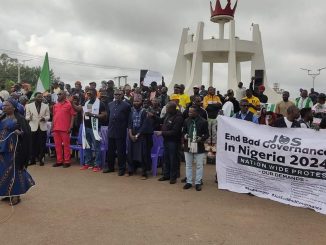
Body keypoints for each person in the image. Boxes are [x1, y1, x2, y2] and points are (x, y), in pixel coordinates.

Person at [0, 99, 34, 206]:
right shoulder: (2, 117)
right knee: (3, 171)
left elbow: (27, 133)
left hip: (14, 149)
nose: (4, 107)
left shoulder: (20, 119)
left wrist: (21, 133)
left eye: (7, 105)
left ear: (14, 107)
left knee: (15, 170)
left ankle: (16, 195)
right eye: (3, 105)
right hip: (2, 148)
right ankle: (8, 192)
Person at [74, 88, 107, 172]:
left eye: (90, 94)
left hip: (95, 128)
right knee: (87, 145)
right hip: (87, 127)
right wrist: (71, 103)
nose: (88, 95)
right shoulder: (87, 102)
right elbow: (78, 109)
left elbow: (104, 115)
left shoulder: (100, 103)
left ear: (95, 94)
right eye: (88, 94)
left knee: (96, 147)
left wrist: (93, 115)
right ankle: (88, 163)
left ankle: (97, 165)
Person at [104, 89, 131, 176]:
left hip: (121, 131)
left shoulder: (126, 105)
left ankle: (121, 168)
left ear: (122, 95)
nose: (117, 96)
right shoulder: (110, 104)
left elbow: (128, 119)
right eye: (115, 94)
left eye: (119, 94)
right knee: (110, 151)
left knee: (121, 151)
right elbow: (108, 117)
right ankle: (110, 167)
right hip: (111, 130)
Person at [155, 102, 184, 184]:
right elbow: (161, 120)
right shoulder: (168, 114)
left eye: (167, 108)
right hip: (166, 140)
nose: (166, 109)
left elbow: (174, 132)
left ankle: (173, 177)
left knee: (173, 160)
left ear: (172, 108)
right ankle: (166, 175)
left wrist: (162, 133)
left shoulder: (178, 117)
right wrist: (153, 116)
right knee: (166, 158)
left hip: (174, 142)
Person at [182, 106, 209, 191]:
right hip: (188, 145)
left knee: (199, 165)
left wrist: (201, 138)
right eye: (189, 112)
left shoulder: (203, 122)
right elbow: (183, 131)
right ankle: (189, 182)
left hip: (199, 146)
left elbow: (207, 134)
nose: (189, 113)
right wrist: (185, 135)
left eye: (191, 112)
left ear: (196, 112)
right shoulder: (186, 120)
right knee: (188, 165)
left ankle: (198, 182)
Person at [127, 95, 153, 179]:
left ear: (141, 102)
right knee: (131, 153)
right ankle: (131, 170)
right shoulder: (131, 111)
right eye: (134, 101)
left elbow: (145, 126)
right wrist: (131, 135)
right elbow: (129, 124)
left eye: (138, 101)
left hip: (142, 135)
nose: (136, 103)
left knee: (143, 154)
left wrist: (137, 135)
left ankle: (144, 173)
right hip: (132, 135)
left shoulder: (145, 112)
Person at [52, 91, 76, 168]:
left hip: (65, 129)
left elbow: (73, 116)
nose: (58, 95)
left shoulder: (69, 104)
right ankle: (59, 161)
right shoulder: (55, 105)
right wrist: (52, 126)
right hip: (56, 128)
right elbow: (54, 116)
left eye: (60, 94)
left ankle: (67, 161)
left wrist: (71, 126)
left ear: (64, 95)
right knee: (57, 146)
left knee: (66, 146)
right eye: (58, 94)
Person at [25, 92, 50, 166]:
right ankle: (32, 159)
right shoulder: (29, 106)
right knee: (33, 144)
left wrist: (44, 118)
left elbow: (48, 116)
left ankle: (41, 159)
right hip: (33, 127)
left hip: (42, 127)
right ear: (35, 97)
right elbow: (26, 117)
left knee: (42, 144)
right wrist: (30, 117)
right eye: (38, 97)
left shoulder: (46, 106)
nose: (40, 98)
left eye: (41, 97)